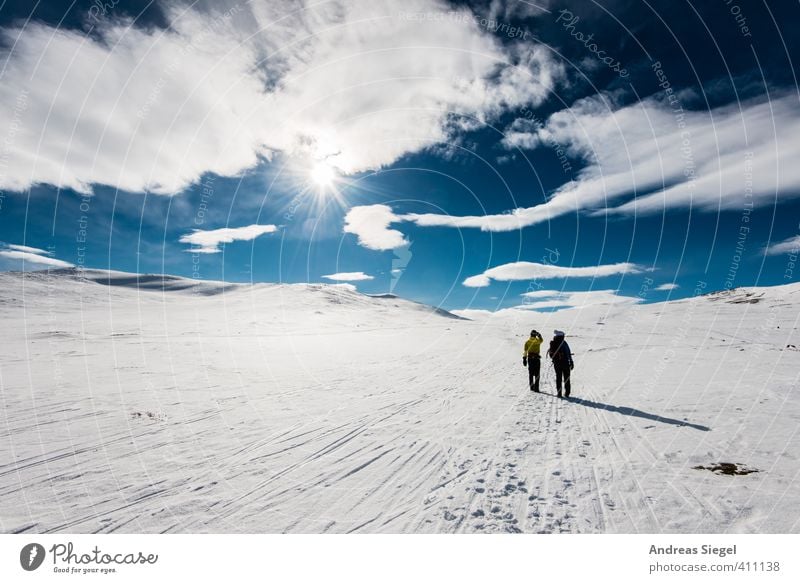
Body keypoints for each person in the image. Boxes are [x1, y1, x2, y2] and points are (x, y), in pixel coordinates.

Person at [547, 330, 574, 398]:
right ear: (562, 336)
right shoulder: (563, 343)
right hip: (565, 363)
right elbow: (568, 352)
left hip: (557, 363)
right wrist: (571, 361)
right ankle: (567, 393)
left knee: (558, 378)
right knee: (566, 378)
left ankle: (559, 393)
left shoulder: (553, 343)